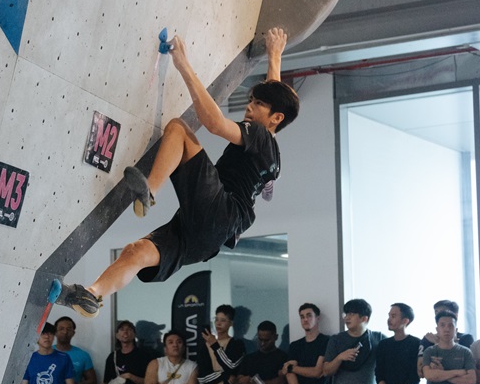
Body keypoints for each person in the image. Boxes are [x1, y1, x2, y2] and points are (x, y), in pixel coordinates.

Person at [54, 28, 298, 318]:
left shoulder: (260, 136)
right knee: (136, 252)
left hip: (223, 210)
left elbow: (214, 123)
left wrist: (183, 63)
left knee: (179, 129)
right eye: (252, 100)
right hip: (207, 237)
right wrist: (274, 56)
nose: (249, 106)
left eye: (257, 104)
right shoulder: (272, 147)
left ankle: (150, 192)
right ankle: (92, 295)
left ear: (275, 118)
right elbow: (277, 100)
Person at [54, 316, 97, 384]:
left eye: (69, 329)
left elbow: (92, 381)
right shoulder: (46, 353)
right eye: (61, 329)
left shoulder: (82, 355)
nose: (65, 332)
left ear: (73, 333)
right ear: (55, 332)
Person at [418, 299, 474, 378]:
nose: (439, 316)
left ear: (455, 315)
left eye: (443, 312)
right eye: (436, 313)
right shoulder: (428, 339)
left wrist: (438, 343)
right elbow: (421, 372)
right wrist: (456, 372)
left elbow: (468, 372)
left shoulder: (465, 338)